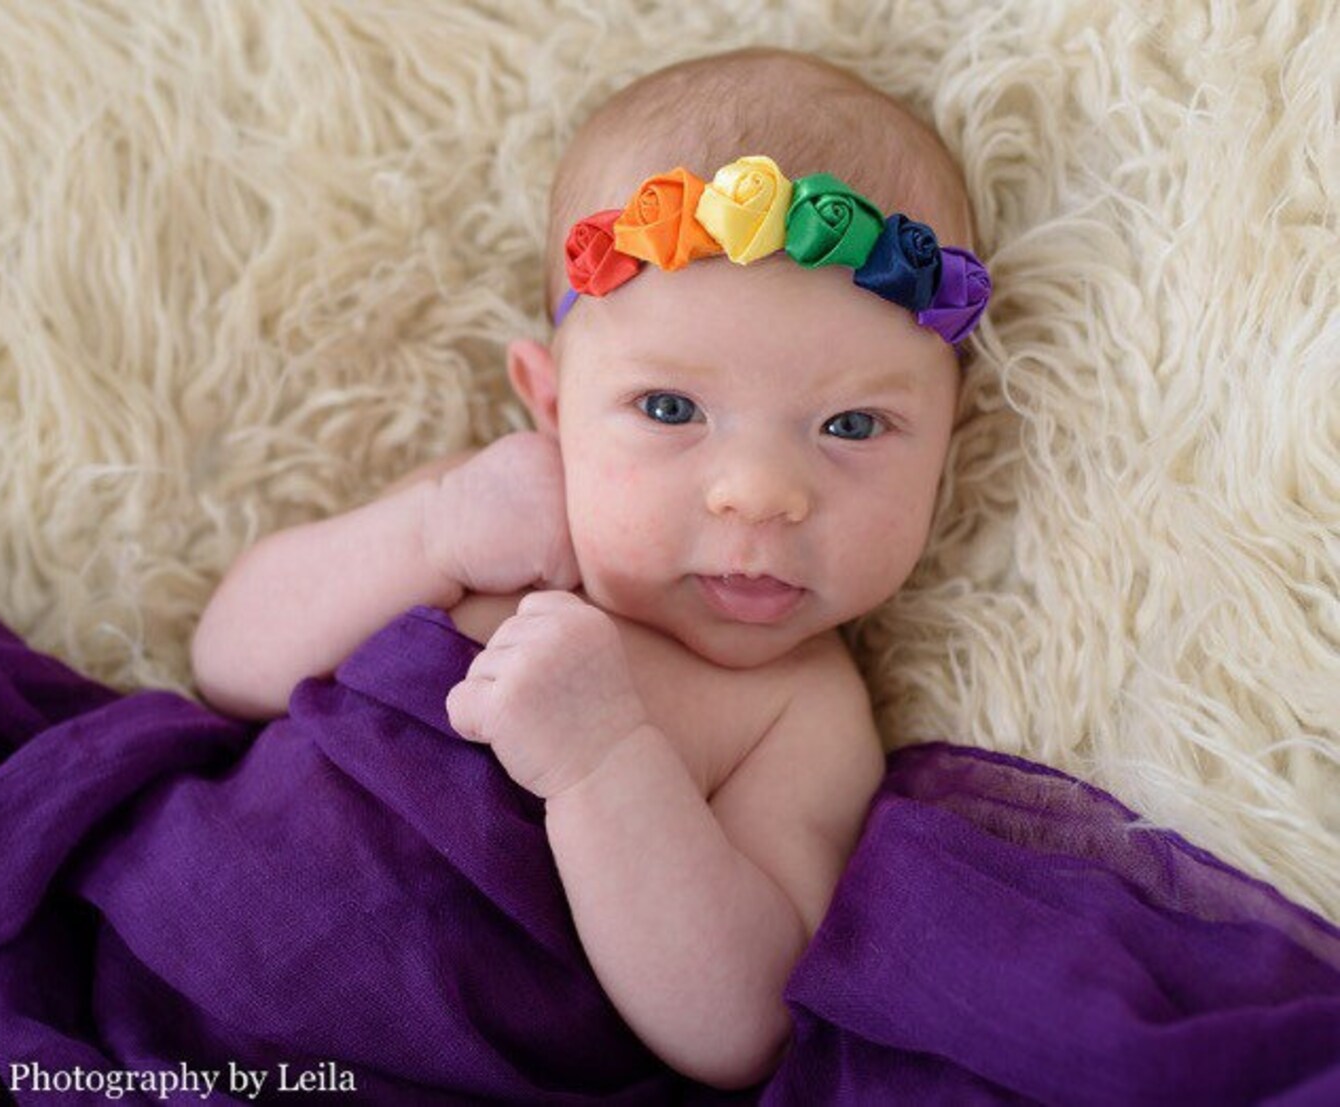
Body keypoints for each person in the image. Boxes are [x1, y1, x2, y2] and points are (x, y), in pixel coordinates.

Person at [190, 45, 990, 1091]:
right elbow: (227, 660)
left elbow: (737, 1028)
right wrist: (428, 532)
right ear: (554, 405)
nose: (755, 493)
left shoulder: (796, 711)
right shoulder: (479, 521)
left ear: (949, 441)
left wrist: (600, 762)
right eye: (668, 410)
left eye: (852, 424)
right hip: (177, 929)